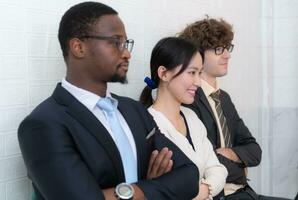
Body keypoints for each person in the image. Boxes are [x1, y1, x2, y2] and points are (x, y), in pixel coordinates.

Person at [18, 2, 200, 200]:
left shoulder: (134, 110)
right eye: (115, 42)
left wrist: (131, 192)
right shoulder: (43, 125)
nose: (127, 53)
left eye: (126, 43)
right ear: (79, 47)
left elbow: (189, 176)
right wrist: (152, 188)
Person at [179, 17, 289, 200]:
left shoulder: (223, 98)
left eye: (227, 48)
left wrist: (231, 153)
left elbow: (255, 150)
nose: (227, 55)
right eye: (218, 49)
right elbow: (207, 164)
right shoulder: (190, 100)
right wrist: (242, 168)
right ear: (198, 55)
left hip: (245, 193)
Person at [140, 37, 228, 199]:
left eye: (199, 73)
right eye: (192, 73)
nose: (198, 82)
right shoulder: (148, 124)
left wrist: (204, 191)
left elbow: (218, 169)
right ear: (163, 73)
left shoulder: (191, 116)